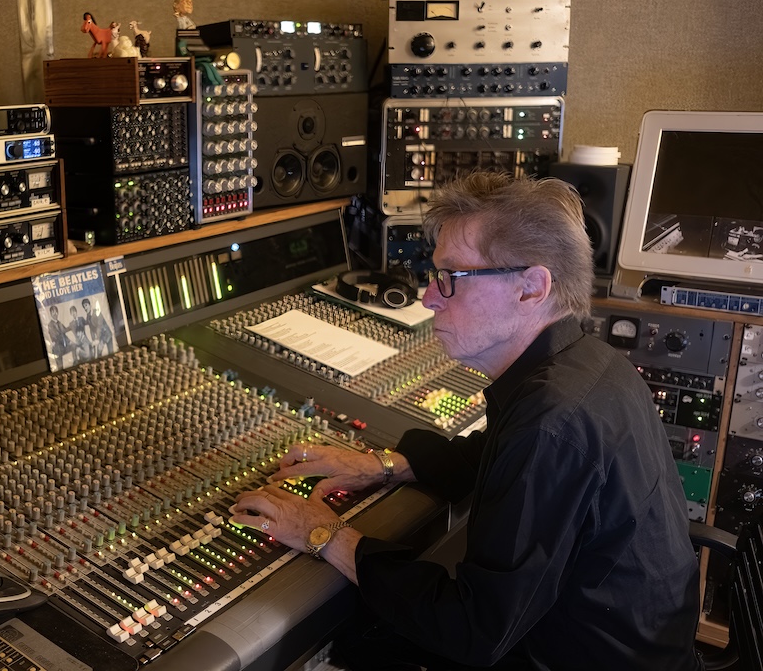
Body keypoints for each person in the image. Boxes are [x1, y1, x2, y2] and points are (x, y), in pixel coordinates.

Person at [230, 172, 703, 670]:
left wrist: (323, 533)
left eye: (449, 277)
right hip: (615, 643)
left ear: (531, 288)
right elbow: (496, 455)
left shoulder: (552, 422)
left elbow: (474, 629)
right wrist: (385, 466)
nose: (428, 298)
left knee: (361, 643)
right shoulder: (588, 363)